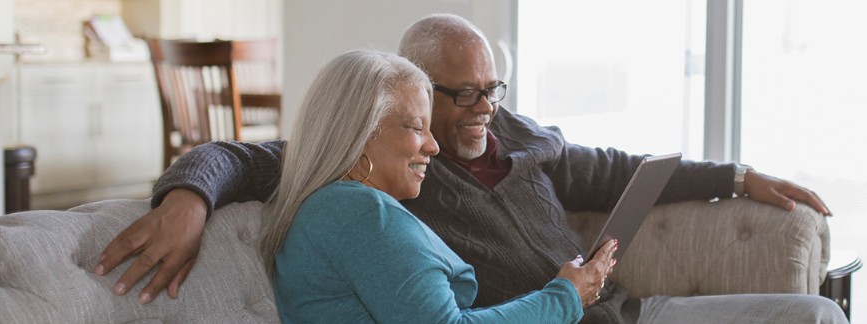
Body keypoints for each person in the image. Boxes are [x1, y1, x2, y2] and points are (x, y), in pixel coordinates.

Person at [95, 14, 847, 323]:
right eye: (462, 96)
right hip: (559, 315)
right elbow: (237, 155)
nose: (484, 109)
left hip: (624, 312)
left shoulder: (512, 135)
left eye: (493, 89)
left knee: (815, 315)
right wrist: (188, 196)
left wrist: (738, 177)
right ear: (419, 94)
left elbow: (614, 168)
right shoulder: (378, 175)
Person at [259, 49, 612, 323]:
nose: (433, 146)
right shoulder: (361, 213)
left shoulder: (331, 208)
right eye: (415, 127)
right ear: (360, 135)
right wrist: (567, 296)